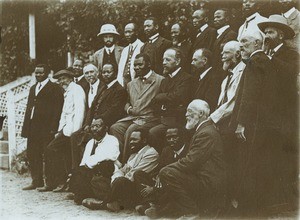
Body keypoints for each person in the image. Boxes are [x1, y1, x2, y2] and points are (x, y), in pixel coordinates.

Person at [231, 30, 286, 215]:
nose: (241, 45)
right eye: (240, 42)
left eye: (245, 41)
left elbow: (250, 96)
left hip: (253, 124)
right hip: (262, 123)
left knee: (249, 163)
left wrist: (241, 123)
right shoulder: (264, 62)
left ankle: (247, 209)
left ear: (257, 43)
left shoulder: (256, 61)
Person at [145, 100, 226, 218]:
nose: (186, 115)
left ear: (201, 114)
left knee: (167, 173)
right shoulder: (203, 130)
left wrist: (166, 168)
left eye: (190, 111)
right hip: (204, 180)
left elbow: (190, 162)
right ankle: (164, 209)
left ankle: (191, 212)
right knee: (170, 174)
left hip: (208, 183)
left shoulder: (206, 133)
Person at [258, 14, 299, 210]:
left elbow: (290, 74)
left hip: (285, 114)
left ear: (281, 35)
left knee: (284, 156)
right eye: (265, 32)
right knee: (268, 155)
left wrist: (269, 59)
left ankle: (288, 202)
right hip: (267, 113)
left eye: (271, 32)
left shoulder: (292, 55)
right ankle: (272, 199)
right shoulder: (264, 54)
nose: (267, 35)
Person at [83, 129, 159, 211]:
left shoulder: (151, 153)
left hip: (139, 187)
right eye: (130, 139)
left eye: (135, 139)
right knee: (98, 180)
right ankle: (116, 202)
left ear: (144, 140)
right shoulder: (134, 153)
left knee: (120, 181)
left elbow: (134, 174)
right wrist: (115, 178)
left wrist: (118, 179)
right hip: (127, 182)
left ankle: (103, 204)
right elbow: (122, 170)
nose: (131, 142)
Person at [209, 40, 245, 205]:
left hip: (232, 122)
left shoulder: (243, 72)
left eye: (226, 53)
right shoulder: (227, 77)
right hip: (221, 121)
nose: (222, 56)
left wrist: (212, 118)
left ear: (237, 54)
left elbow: (233, 103)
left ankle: (229, 197)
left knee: (226, 157)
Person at [70, 63, 127, 170]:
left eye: (108, 72)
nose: (105, 75)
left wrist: (95, 122)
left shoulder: (119, 90)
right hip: (94, 124)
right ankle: (76, 169)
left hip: (105, 124)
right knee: (75, 136)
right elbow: (92, 108)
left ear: (114, 73)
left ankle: (89, 169)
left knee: (90, 140)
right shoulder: (103, 88)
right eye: (103, 72)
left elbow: (113, 111)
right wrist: (87, 124)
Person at [37, 69, 86, 192]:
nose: (61, 81)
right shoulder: (67, 91)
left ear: (70, 78)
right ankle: (62, 182)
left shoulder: (77, 90)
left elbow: (80, 111)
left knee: (51, 150)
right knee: (64, 156)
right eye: (59, 79)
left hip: (73, 130)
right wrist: (60, 131)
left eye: (64, 78)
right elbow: (64, 113)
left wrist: (76, 132)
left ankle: (57, 182)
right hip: (65, 129)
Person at [110, 54, 164, 163]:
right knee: (115, 128)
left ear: (148, 64)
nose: (136, 67)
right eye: (135, 65)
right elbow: (126, 102)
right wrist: (128, 109)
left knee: (132, 130)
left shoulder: (160, 80)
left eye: (140, 64)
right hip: (133, 117)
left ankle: (126, 163)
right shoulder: (131, 84)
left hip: (150, 118)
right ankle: (117, 161)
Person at [21, 64, 64, 190]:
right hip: (33, 127)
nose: (38, 75)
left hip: (46, 128)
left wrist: (53, 127)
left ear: (47, 73)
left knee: (48, 155)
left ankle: (50, 182)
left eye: (41, 73)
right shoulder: (33, 88)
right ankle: (36, 180)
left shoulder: (54, 88)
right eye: (36, 73)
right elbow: (29, 109)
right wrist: (26, 128)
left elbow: (57, 109)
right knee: (33, 154)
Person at [133, 127, 189, 215]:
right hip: (161, 184)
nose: (171, 140)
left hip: (175, 185)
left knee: (173, 197)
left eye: (175, 137)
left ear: (182, 137)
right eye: (168, 138)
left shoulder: (188, 151)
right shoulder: (166, 150)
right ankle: (150, 204)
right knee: (138, 174)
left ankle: (157, 210)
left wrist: (153, 189)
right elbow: (160, 168)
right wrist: (158, 175)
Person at [148, 48, 193, 153]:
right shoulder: (165, 80)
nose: (164, 63)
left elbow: (177, 97)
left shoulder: (186, 78)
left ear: (177, 61)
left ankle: (163, 157)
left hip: (176, 120)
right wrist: (163, 99)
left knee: (153, 133)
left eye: (168, 60)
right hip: (162, 118)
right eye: (163, 60)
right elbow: (155, 102)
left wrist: (161, 97)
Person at [69, 118, 120, 205]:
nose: (94, 129)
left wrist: (89, 163)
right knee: (77, 173)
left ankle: (100, 196)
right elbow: (83, 162)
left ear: (105, 128)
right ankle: (87, 194)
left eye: (97, 126)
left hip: (105, 170)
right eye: (92, 126)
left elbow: (110, 156)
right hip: (91, 169)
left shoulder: (112, 140)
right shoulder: (90, 143)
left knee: (105, 165)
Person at [117, 23, 144, 87]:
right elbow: (120, 70)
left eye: (129, 32)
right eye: (125, 32)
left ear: (136, 32)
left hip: (137, 84)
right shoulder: (125, 50)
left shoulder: (142, 46)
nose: (127, 35)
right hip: (124, 84)